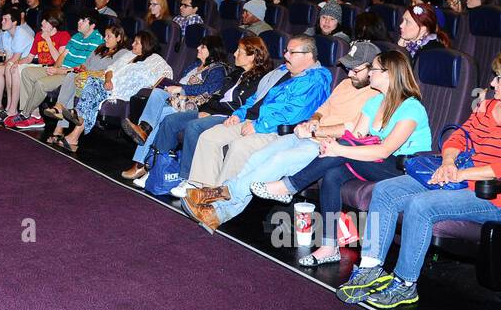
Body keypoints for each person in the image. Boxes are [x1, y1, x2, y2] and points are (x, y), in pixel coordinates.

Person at [338, 50, 501, 309]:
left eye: (500, 78)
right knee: (385, 190)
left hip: (492, 196)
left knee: (422, 205)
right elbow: (458, 137)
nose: (493, 82)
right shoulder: (490, 107)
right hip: (457, 177)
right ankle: (370, 268)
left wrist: (459, 173)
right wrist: (449, 161)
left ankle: (406, 284)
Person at [212, 51, 432, 251]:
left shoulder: (411, 107)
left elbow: (384, 151)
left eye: (373, 69)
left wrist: (336, 147)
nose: (370, 73)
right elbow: (356, 135)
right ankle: (329, 246)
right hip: (371, 160)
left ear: (388, 74)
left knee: (339, 149)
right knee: (332, 174)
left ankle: (289, 185)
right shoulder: (375, 101)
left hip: (402, 169)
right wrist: (328, 143)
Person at [183, 41, 381, 228]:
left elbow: (353, 129)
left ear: (372, 70)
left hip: (329, 146)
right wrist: (314, 119)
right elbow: (323, 108)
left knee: (278, 160)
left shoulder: (376, 95)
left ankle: (221, 195)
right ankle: (216, 213)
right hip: (308, 134)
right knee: (257, 158)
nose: (350, 73)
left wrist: (317, 129)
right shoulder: (346, 84)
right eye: (348, 68)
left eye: (356, 69)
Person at [172, 34, 332, 197]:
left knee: (239, 147)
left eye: (292, 52)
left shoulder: (315, 80)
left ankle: (219, 198)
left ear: (308, 56)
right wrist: (239, 114)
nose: (285, 56)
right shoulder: (281, 71)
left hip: (276, 130)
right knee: (209, 137)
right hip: (254, 119)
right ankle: (200, 188)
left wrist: (258, 126)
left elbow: (293, 114)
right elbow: (256, 98)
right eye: (286, 51)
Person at [122, 36, 267, 182]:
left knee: (166, 114)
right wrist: (206, 108)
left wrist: (184, 91)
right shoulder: (233, 73)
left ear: (252, 56)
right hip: (197, 105)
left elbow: (216, 94)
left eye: (203, 47)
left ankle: (163, 170)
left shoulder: (226, 71)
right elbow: (217, 96)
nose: (234, 54)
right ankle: (155, 166)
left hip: (204, 107)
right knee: (165, 111)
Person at [10, 11, 105, 129]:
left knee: (41, 83)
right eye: (79, 19)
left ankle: (25, 113)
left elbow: (83, 68)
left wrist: (59, 71)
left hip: (72, 75)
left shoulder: (97, 41)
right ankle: (34, 114)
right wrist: (55, 68)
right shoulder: (77, 36)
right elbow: (63, 56)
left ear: (92, 25)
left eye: (83, 20)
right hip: (60, 69)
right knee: (26, 72)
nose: (78, 22)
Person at [1, 13, 70, 124]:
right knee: (18, 68)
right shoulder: (38, 35)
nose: (42, 23)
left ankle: (29, 112)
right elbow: (29, 58)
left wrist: (48, 40)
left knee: (26, 72)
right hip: (41, 67)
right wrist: (17, 63)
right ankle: (31, 111)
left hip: (56, 68)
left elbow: (59, 60)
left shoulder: (63, 35)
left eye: (45, 21)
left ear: (53, 25)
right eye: (42, 20)